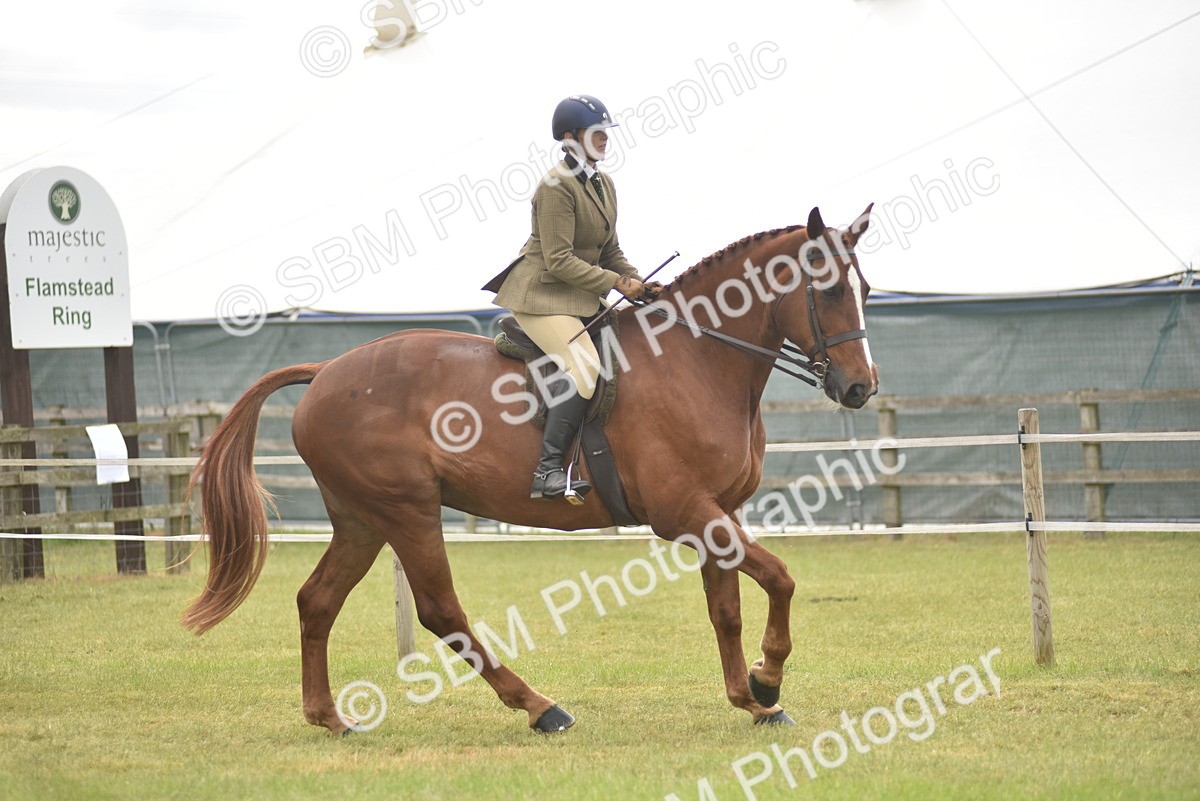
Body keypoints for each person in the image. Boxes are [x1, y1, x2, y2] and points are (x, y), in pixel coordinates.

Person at [482, 95, 660, 501]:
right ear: (569, 137)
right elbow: (559, 260)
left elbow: (610, 250)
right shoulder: (555, 187)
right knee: (584, 366)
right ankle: (547, 472)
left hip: (578, 296)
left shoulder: (604, 183)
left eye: (605, 132)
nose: (604, 139)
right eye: (595, 133)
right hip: (541, 295)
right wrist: (616, 283)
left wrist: (637, 281)